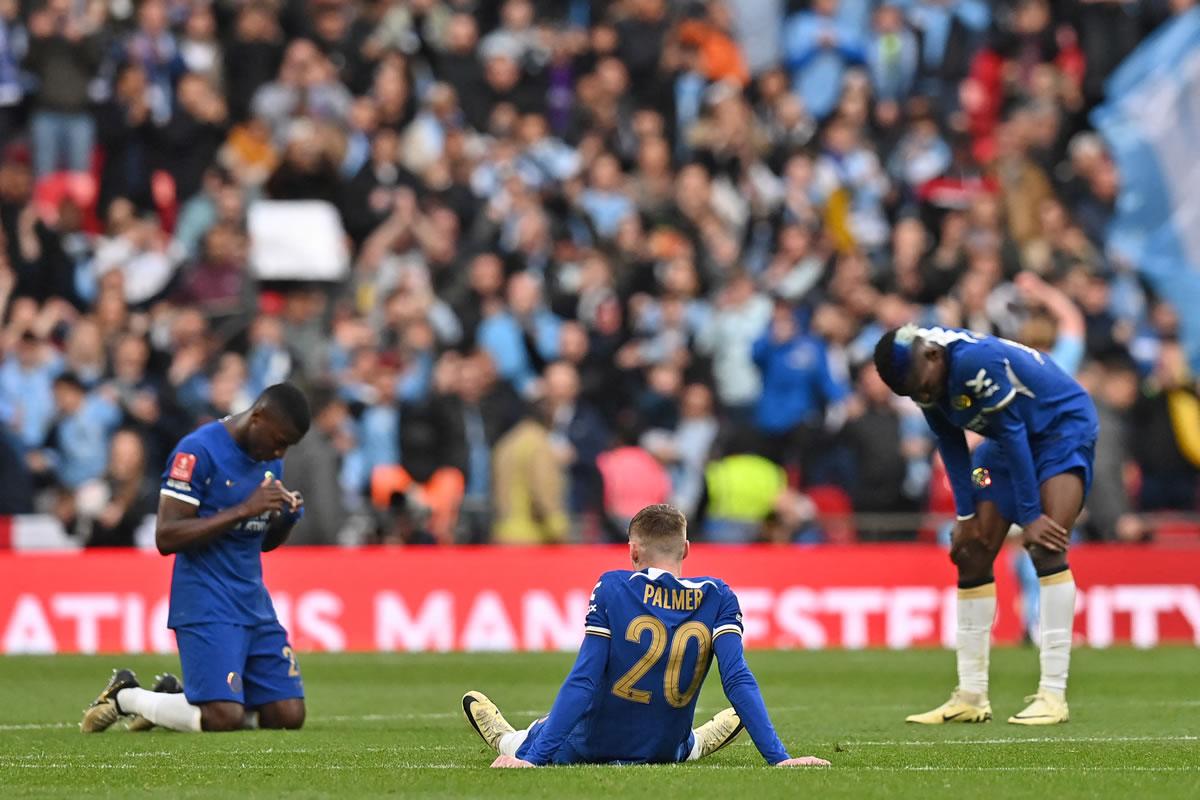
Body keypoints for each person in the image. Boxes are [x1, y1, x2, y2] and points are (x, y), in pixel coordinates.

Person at [461, 504, 830, 768]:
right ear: (685, 549)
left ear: (633, 552)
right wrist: (781, 758)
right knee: (681, 741)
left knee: (535, 735)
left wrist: (530, 759)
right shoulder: (718, 595)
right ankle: (696, 742)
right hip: (665, 748)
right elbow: (737, 678)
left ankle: (508, 738)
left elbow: (584, 679)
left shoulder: (612, 586)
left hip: (591, 746)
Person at [873, 325, 1098, 726]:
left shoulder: (974, 361)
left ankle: (1053, 695)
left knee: (1046, 545)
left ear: (933, 356)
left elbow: (1013, 429)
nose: (923, 396)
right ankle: (971, 695)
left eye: (922, 386)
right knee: (971, 550)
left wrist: (1029, 516)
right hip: (994, 455)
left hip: (1060, 433)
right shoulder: (923, 378)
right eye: (912, 394)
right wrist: (965, 517)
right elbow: (951, 444)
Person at [80, 383, 311, 734]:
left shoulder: (270, 462)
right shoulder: (197, 451)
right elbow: (167, 535)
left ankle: (177, 701)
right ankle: (127, 695)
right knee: (223, 718)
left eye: (288, 446)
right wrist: (243, 509)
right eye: (279, 440)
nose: (280, 452)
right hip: (205, 600)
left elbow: (262, 544)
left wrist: (285, 519)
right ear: (258, 417)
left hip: (252, 601)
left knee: (288, 715)